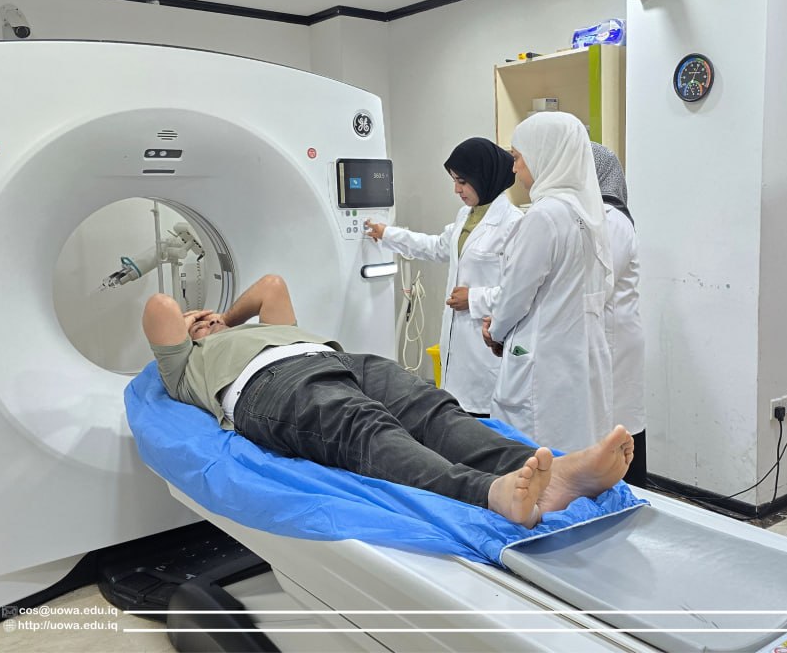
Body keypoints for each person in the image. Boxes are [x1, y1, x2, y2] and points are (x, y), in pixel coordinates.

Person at [142, 273, 634, 529]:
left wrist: (224, 319)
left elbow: (271, 285)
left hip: (338, 358)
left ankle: (550, 473)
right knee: (366, 428)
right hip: (268, 385)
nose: (205, 321)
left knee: (433, 409)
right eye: (195, 323)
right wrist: (196, 329)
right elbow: (159, 307)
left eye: (207, 317)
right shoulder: (185, 368)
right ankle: (489, 493)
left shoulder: (258, 326)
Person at [481, 112, 614, 454]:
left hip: (543, 361)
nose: (514, 168)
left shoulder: (544, 216)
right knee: (579, 451)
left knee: (538, 460)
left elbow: (515, 295)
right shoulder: (589, 213)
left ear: (545, 155)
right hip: (582, 354)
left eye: (518, 157)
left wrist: (494, 330)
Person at [363, 138, 522, 417]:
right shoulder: (466, 215)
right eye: (454, 181)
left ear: (484, 177)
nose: (456, 189)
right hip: (458, 347)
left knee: (485, 421)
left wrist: (474, 298)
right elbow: (437, 247)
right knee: (456, 414)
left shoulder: (514, 224)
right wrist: (387, 234)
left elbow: (520, 292)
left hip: (487, 345)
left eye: (462, 182)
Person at [592, 142, 647, 487]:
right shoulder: (595, 218)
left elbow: (596, 286)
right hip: (605, 336)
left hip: (614, 339)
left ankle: (628, 498)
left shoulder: (611, 221)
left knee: (619, 429)